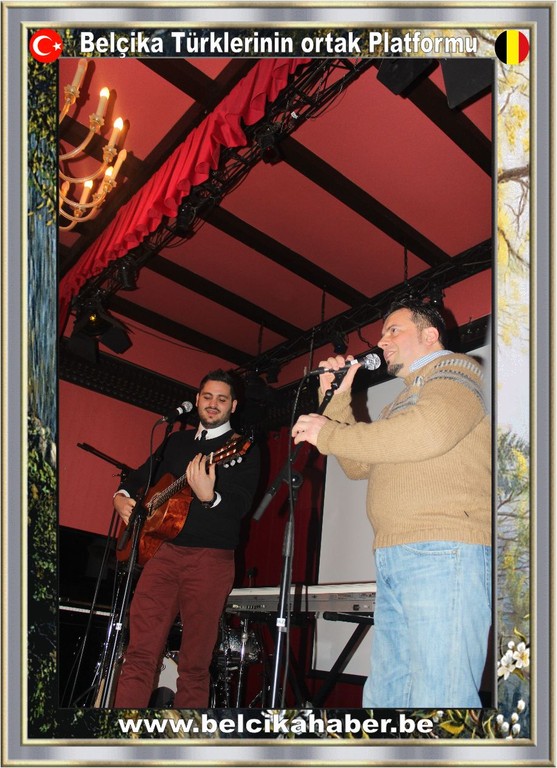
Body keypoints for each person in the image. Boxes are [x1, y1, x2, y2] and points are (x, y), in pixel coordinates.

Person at [292, 300, 492, 708]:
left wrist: (328, 433)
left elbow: (429, 433)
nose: (381, 341)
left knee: (441, 700)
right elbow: (357, 464)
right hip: (397, 552)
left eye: (393, 330)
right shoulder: (403, 399)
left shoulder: (455, 373)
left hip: (443, 548)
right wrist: (336, 396)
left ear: (430, 335)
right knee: (388, 698)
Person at [113, 369, 260, 708]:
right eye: (207, 396)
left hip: (210, 560)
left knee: (194, 664)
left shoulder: (243, 448)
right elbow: (138, 477)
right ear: (197, 400)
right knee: (139, 654)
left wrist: (211, 497)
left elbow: (240, 505)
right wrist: (121, 496)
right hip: (162, 554)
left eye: (222, 399)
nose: (213, 403)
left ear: (233, 406)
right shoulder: (176, 441)